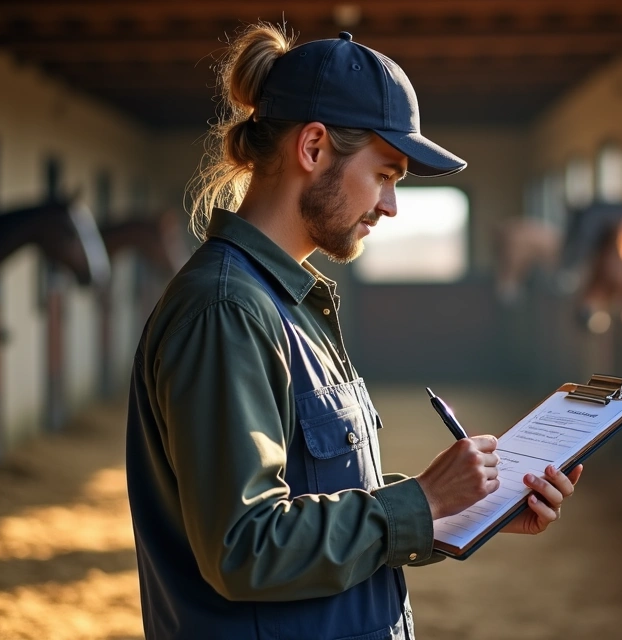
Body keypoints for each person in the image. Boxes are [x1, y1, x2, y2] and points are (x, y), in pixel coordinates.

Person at [125, 23, 581, 640]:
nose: (391, 206)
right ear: (313, 148)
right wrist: (419, 502)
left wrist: (459, 510)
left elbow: (316, 496)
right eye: (386, 174)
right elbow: (245, 546)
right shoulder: (229, 311)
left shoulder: (283, 302)